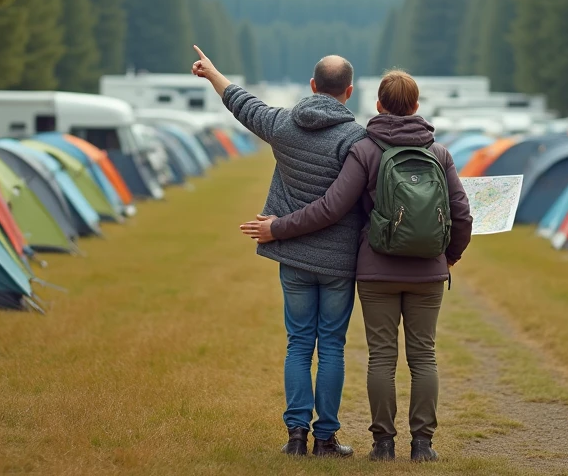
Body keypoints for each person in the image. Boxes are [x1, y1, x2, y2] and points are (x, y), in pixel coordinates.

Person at [241, 70, 473, 463]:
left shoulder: (366, 149)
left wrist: (278, 227)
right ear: (416, 106)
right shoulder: (440, 153)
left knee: (381, 356)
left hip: (377, 268)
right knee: (424, 356)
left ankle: (383, 445)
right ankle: (423, 445)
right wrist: (449, 256)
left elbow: (333, 206)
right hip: (428, 271)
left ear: (378, 104)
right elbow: (462, 215)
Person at [191, 45, 364, 458]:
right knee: (333, 346)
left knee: (299, 344)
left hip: (291, 255)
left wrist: (214, 73)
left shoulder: (283, 125)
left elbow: (242, 104)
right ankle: (326, 438)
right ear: (349, 92)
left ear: (311, 85)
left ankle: (295, 438)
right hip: (339, 262)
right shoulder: (357, 138)